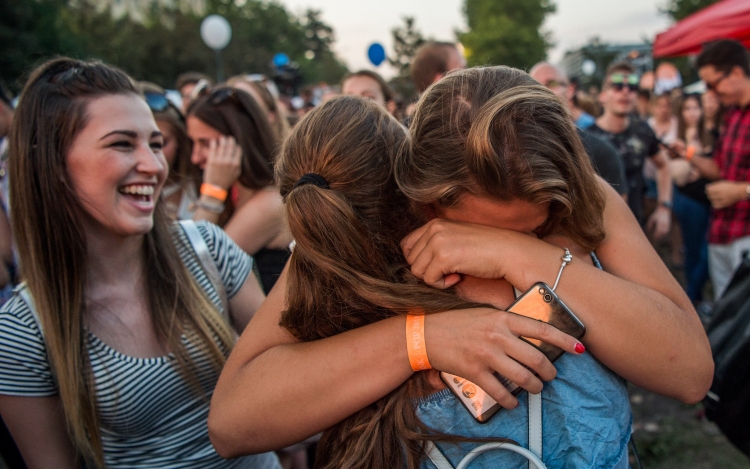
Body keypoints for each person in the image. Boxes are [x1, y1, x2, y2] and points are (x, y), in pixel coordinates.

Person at [209, 66, 713, 467]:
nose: (522, 239)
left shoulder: (586, 200)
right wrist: (421, 341)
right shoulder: (366, 224)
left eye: (536, 226)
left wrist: (527, 257)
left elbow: (689, 373)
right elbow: (234, 423)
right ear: (426, 202)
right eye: (494, 228)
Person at [0, 57, 279, 469]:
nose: (153, 166)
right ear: (54, 163)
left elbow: (285, 378)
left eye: (154, 143)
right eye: (121, 144)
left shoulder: (207, 248)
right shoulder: (22, 331)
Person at [187, 86, 292, 292]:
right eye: (192, 143)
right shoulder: (238, 193)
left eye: (205, 143)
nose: (195, 157)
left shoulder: (269, 203)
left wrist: (212, 193)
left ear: (238, 139)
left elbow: (193, 269)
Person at [588, 63, 674, 240]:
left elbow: (663, 165)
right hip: (598, 231)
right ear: (603, 96)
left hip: (636, 226)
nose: (625, 92)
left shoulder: (643, 131)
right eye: (618, 86)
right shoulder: (588, 137)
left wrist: (664, 207)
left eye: (632, 87)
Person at [692, 39, 750, 298]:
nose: (711, 93)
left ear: (737, 72)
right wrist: (689, 154)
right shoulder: (733, 114)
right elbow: (721, 170)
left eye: (713, 84)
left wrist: (742, 191)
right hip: (723, 232)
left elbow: (735, 184)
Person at [529, 62, 628, 198]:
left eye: (551, 84)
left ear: (570, 90)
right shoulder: (515, 151)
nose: (541, 91)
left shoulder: (601, 152)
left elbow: (618, 216)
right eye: (533, 85)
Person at [670, 94, 711, 303]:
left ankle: (694, 294)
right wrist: (696, 165)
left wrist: (698, 167)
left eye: (696, 107)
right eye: (687, 108)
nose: (692, 112)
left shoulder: (711, 134)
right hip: (689, 201)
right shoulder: (678, 138)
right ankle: (692, 297)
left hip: (711, 202)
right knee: (694, 250)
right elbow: (678, 176)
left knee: (707, 252)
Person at [140, 82, 201, 220]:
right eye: (125, 145)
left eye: (158, 144)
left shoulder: (201, 181)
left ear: (180, 139)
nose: (149, 160)